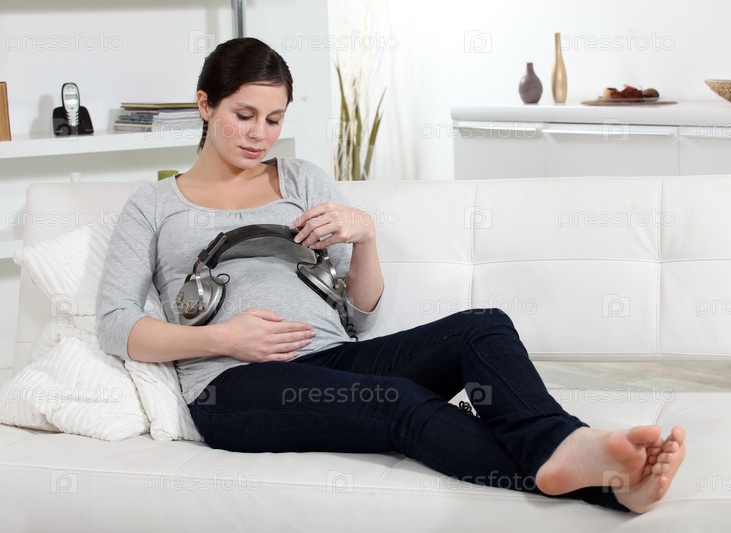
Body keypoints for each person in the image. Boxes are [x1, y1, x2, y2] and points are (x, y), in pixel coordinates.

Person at [97, 37, 685, 514]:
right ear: (205, 105)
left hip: (333, 358)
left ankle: (566, 444)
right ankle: (606, 487)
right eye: (243, 116)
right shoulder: (156, 204)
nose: (260, 135)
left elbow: (361, 312)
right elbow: (115, 323)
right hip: (233, 385)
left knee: (483, 327)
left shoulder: (301, 179)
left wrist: (366, 236)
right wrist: (223, 338)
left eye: (274, 119)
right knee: (398, 401)